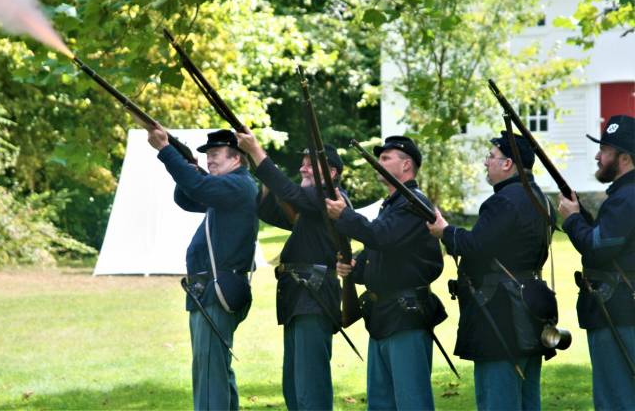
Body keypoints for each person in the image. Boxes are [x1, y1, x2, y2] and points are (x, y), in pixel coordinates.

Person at [426, 131, 556, 411]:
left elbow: (475, 246)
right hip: (532, 304)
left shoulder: (503, 201)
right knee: (527, 398)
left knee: (497, 399)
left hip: (500, 311)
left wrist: (445, 231)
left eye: (491, 156)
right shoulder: (541, 199)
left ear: (508, 164)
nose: (486, 162)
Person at [325, 135, 446, 410]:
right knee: (381, 403)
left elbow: (381, 236)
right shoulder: (392, 204)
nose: (378, 163)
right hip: (383, 315)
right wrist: (355, 268)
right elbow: (379, 252)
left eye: (385, 158)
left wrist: (344, 216)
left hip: (406, 314)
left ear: (406, 166)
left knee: (411, 401)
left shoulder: (414, 203)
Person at [147, 126, 258, 411]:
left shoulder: (238, 184)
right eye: (207, 155)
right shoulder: (227, 187)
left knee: (209, 375)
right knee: (216, 369)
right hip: (208, 290)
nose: (210, 160)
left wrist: (166, 151)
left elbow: (197, 188)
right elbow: (185, 197)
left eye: (216, 154)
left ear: (236, 158)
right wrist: (188, 167)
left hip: (216, 290)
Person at [236, 127, 348, 410]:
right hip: (298, 297)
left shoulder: (332, 197)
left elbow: (288, 191)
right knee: (294, 386)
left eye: (311, 164)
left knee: (311, 386)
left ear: (332, 172)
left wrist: (257, 152)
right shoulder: (309, 208)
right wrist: (257, 167)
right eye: (303, 163)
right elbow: (268, 208)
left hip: (314, 296)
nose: (303, 168)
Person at [557, 114, 635, 410]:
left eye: (605, 150)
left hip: (618, 309)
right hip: (624, 307)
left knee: (615, 398)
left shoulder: (626, 197)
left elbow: (597, 249)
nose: (598, 156)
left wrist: (573, 219)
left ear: (624, 157)